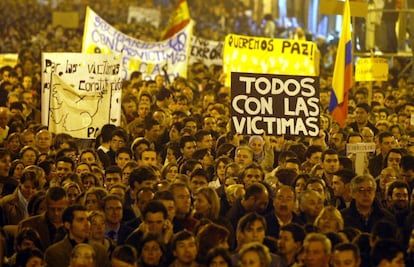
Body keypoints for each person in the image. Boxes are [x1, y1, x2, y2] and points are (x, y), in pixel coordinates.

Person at [44, 205, 109, 267]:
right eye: (80, 220)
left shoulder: (100, 251)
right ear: (68, 225)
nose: (87, 224)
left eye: (88, 219)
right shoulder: (54, 253)